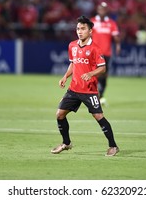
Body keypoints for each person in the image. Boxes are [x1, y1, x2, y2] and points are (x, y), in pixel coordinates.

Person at [51, 15, 119, 156]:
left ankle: (113, 146)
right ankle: (66, 143)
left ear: (90, 31)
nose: (79, 31)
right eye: (78, 28)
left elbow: (103, 68)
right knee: (59, 114)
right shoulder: (72, 45)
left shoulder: (95, 48)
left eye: (83, 29)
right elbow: (73, 63)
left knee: (99, 116)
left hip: (89, 90)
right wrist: (65, 76)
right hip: (74, 89)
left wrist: (91, 74)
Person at [90, 2, 121, 106]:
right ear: (97, 10)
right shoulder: (92, 21)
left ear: (106, 10)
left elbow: (116, 36)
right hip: (93, 53)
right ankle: (92, 96)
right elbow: (86, 36)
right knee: (93, 75)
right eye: (100, 9)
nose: (102, 11)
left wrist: (118, 46)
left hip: (106, 53)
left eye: (103, 9)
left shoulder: (111, 23)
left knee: (104, 75)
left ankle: (101, 95)